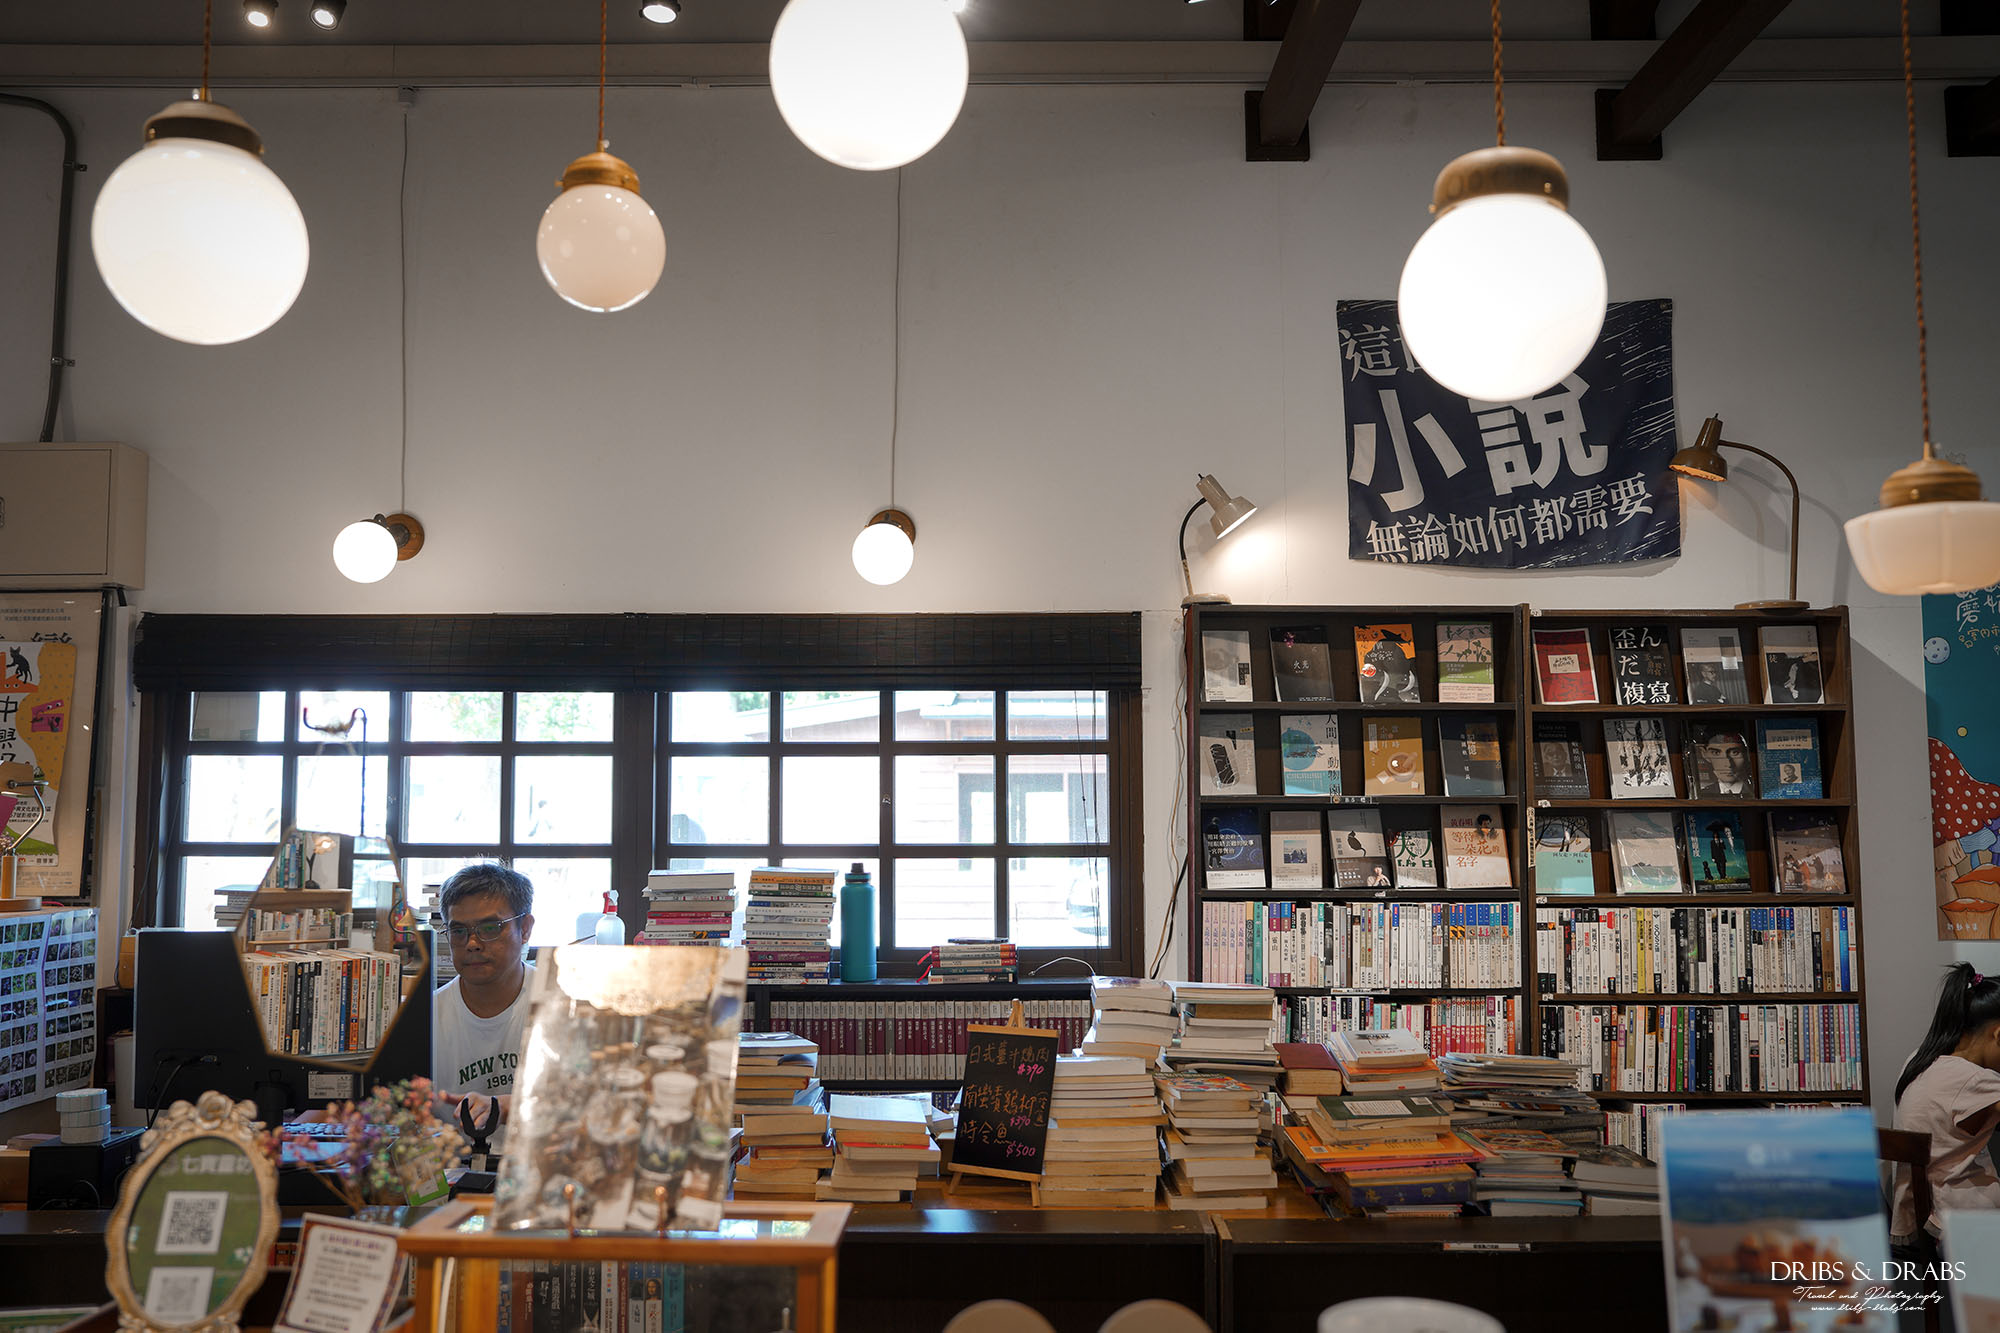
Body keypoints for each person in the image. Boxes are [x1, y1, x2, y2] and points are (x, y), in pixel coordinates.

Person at [1891, 964, 2000, 1254]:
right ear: (1998, 1035)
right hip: (1962, 1218)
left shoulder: (1921, 1058)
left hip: (1924, 1211)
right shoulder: (1976, 1081)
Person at [433, 862, 538, 1147]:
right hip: (453, 1178)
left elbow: (582, 1102)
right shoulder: (426, 1020)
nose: (473, 944)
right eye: (459, 932)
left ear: (525, 929)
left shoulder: (557, 1006)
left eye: (490, 928)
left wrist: (505, 1105)